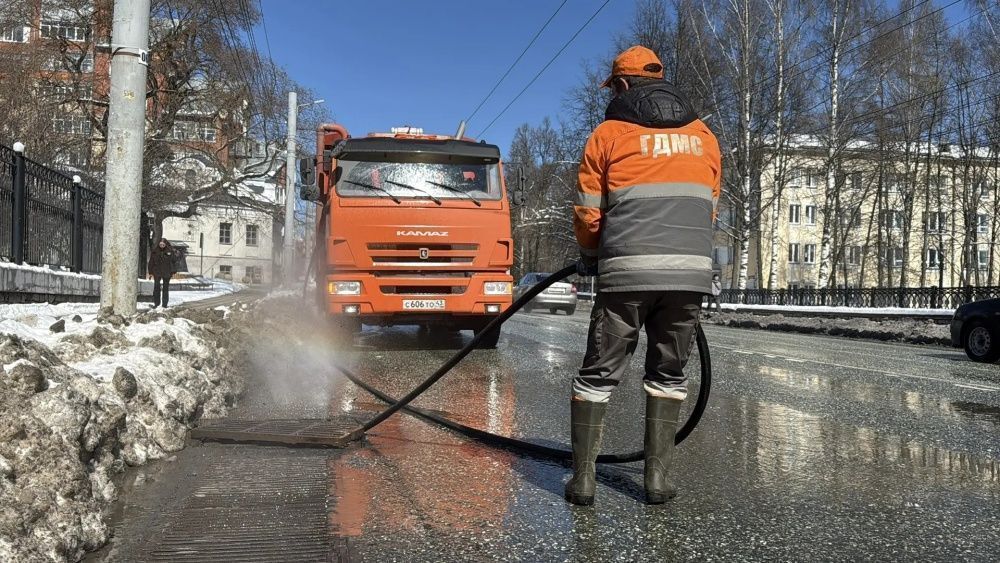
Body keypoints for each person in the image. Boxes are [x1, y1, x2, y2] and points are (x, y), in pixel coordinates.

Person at [567, 46, 722, 505]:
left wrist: (591, 255)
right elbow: (708, 208)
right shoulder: (703, 135)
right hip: (689, 274)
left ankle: (584, 481)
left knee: (598, 375)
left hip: (626, 273)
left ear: (621, 84)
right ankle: (656, 482)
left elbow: (588, 211)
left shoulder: (608, 134)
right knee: (669, 374)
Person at [147, 238, 176, 308]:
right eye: (160, 244)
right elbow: (151, 262)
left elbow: (173, 262)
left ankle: (164, 304)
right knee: (156, 287)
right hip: (157, 272)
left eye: (163, 244)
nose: (162, 245)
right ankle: (156, 303)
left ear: (165, 244)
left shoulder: (170, 251)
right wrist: (150, 272)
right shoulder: (155, 251)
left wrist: (173, 271)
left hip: (167, 272)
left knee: (165, 289)